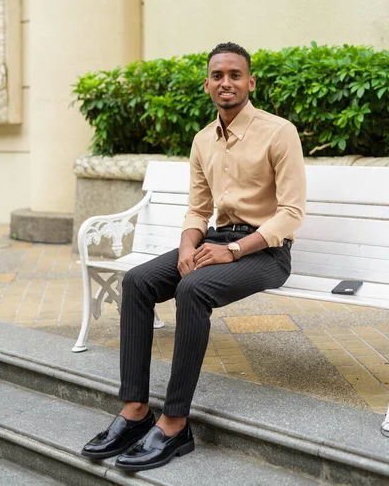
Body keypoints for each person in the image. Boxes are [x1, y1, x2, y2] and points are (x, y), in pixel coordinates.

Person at [81, 41, 306, 472]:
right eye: (218, 76)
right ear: (207, 84)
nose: (227, 82)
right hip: (216, 240)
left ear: (250, 82)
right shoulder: (204, 139)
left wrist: (234, 250)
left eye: (235, 75)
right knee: (138, 281)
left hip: (266, 252)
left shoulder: (279, 132)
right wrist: (188, 246)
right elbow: (199, 208)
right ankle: (134, 411)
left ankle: (175, 422)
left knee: (193, 288)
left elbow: (291, 214)